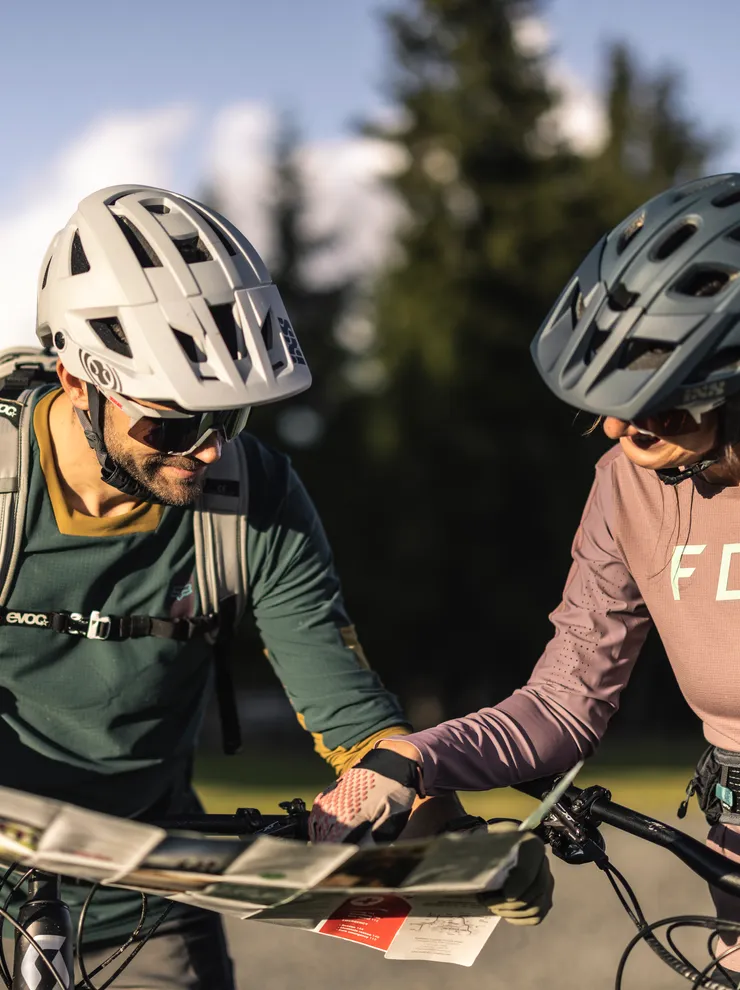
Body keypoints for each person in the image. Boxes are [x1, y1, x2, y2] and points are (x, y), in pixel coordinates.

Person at [1, 182, 458, 989]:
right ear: (79, 383)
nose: (209, 452)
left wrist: (435, 837)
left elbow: (352, 718)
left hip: (145, 893)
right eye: (173, 424)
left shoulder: (256, 497)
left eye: (231, 418)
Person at [309, 172, 740, 984]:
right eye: (610, 406)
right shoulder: (628, 481)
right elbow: (564, 702)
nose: (620, 432)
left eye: (662, 411)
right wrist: (411, 761)